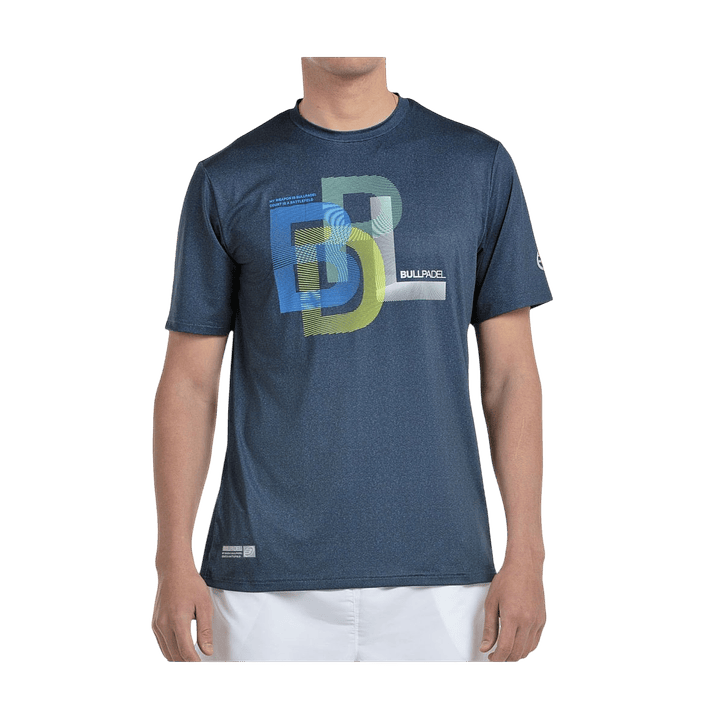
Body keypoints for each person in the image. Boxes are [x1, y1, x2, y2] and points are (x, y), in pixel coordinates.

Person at [150, 53, 555, 665]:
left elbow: (511, 377)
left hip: (445, 579)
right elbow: (188, 384)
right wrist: (171, 562)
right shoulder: (228, 177)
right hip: (262, 581)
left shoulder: (478, 165)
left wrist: (527, 554)